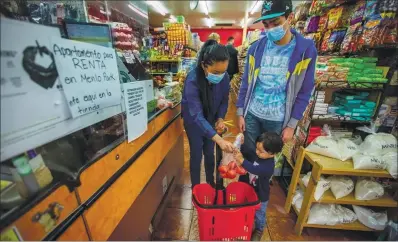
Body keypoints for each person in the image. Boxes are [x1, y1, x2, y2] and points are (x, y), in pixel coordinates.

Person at [236, 0, 317, 162]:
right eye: (266, 25)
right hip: (252, 114)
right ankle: (245, 187)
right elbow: (246, 82)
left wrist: (292, 124)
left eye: (276, 23)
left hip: (278, 119)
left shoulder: (306, 50)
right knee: (247, 157)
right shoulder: (255, 49)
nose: (271, 29)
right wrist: (240, 112)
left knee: (266, 161)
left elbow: (305, 91)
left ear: (290, 17)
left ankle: (261, 188)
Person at [182, 39, 235, 188]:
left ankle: (211, 184)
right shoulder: (192, 79)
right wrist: (218, 139)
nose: (220, 75)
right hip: (194, 122)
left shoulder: (224, 78)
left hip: (211, 119)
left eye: (223, 71)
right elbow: (196, 115)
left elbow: (224, 100)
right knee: (196, 154)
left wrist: (220, 119)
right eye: (216, 72)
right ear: (204, 66)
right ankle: (196, 188)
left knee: (210, 152)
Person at [233, 132, 283, 240]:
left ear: (272, 154)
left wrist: (242, 161)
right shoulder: (259, 155)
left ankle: (259, 229)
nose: (257, 152)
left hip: (261, 195)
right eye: (257, 148)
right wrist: (240, 145)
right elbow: (249, 153)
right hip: (250, 190)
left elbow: (255, 169)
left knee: (259, 214)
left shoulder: (268, 166)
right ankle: (245, 222)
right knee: (246, 207)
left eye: (261, 151)